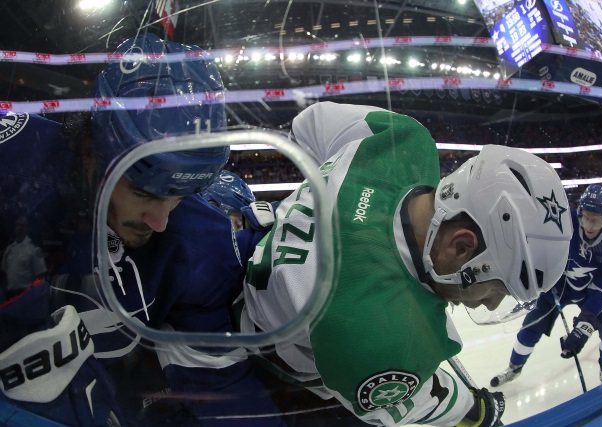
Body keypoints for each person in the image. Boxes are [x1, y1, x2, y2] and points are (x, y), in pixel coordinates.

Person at [0, 33, 283, 426]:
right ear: (90, 149)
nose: (161, 221)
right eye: (142, 191)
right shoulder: (13, 169)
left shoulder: (200, 239)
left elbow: (220, 384)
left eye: (182, 194)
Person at [236, 101, 573, 427]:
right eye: (498, 288)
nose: (491, 302)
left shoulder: (401, 139)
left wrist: (325, 201)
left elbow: (307, 126)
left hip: (253, 255)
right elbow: (424, 401)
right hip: (274, 377)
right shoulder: (387, 338)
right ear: (461, 246)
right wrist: (476, 410)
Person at [491, 184, 602, 387]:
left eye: (595, 220)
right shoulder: (564, 221)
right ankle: (514, 368)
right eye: (586, 217)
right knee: (530, 328)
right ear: (579, 212)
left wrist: (584, 327)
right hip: (554, 286)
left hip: (589, 293)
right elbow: (537, 244)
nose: (589, 225)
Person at [1, 215, 47, 301]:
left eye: (22, 225)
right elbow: (4, 272)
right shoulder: (9, 249)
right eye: (17, 225)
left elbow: (40, 275)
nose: (19, 228)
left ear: (27, 228)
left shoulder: (33, 250)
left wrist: (35, 295)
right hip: (9, 295)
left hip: (25, 295)